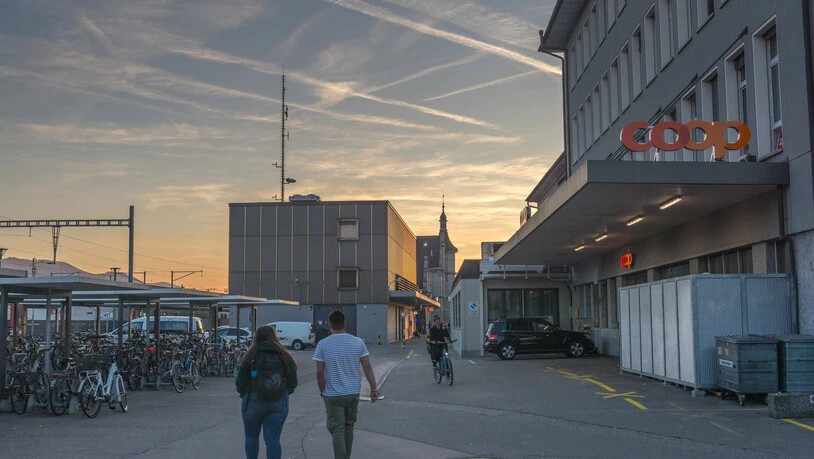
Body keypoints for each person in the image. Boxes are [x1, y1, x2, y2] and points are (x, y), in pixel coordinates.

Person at [314, 311, 379, 459]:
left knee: (337, 429)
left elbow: (319, 373)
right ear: (345, 324)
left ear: (330, 325)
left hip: (332, 394)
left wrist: (323, 391)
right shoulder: (358, 342)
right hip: (352, 393)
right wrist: (374, 389)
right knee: (349, 427)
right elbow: (367, 367)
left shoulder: (322, 345)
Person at [236, 325, 298, 459]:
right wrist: (284, 391)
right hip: (278, 401)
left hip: (253, 401)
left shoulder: (250, 355)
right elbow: (293, 381)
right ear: (274, 336)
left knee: (251, 437)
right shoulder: (284, 355)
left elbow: (240, 382)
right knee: (273, 439)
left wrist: (246, 393)